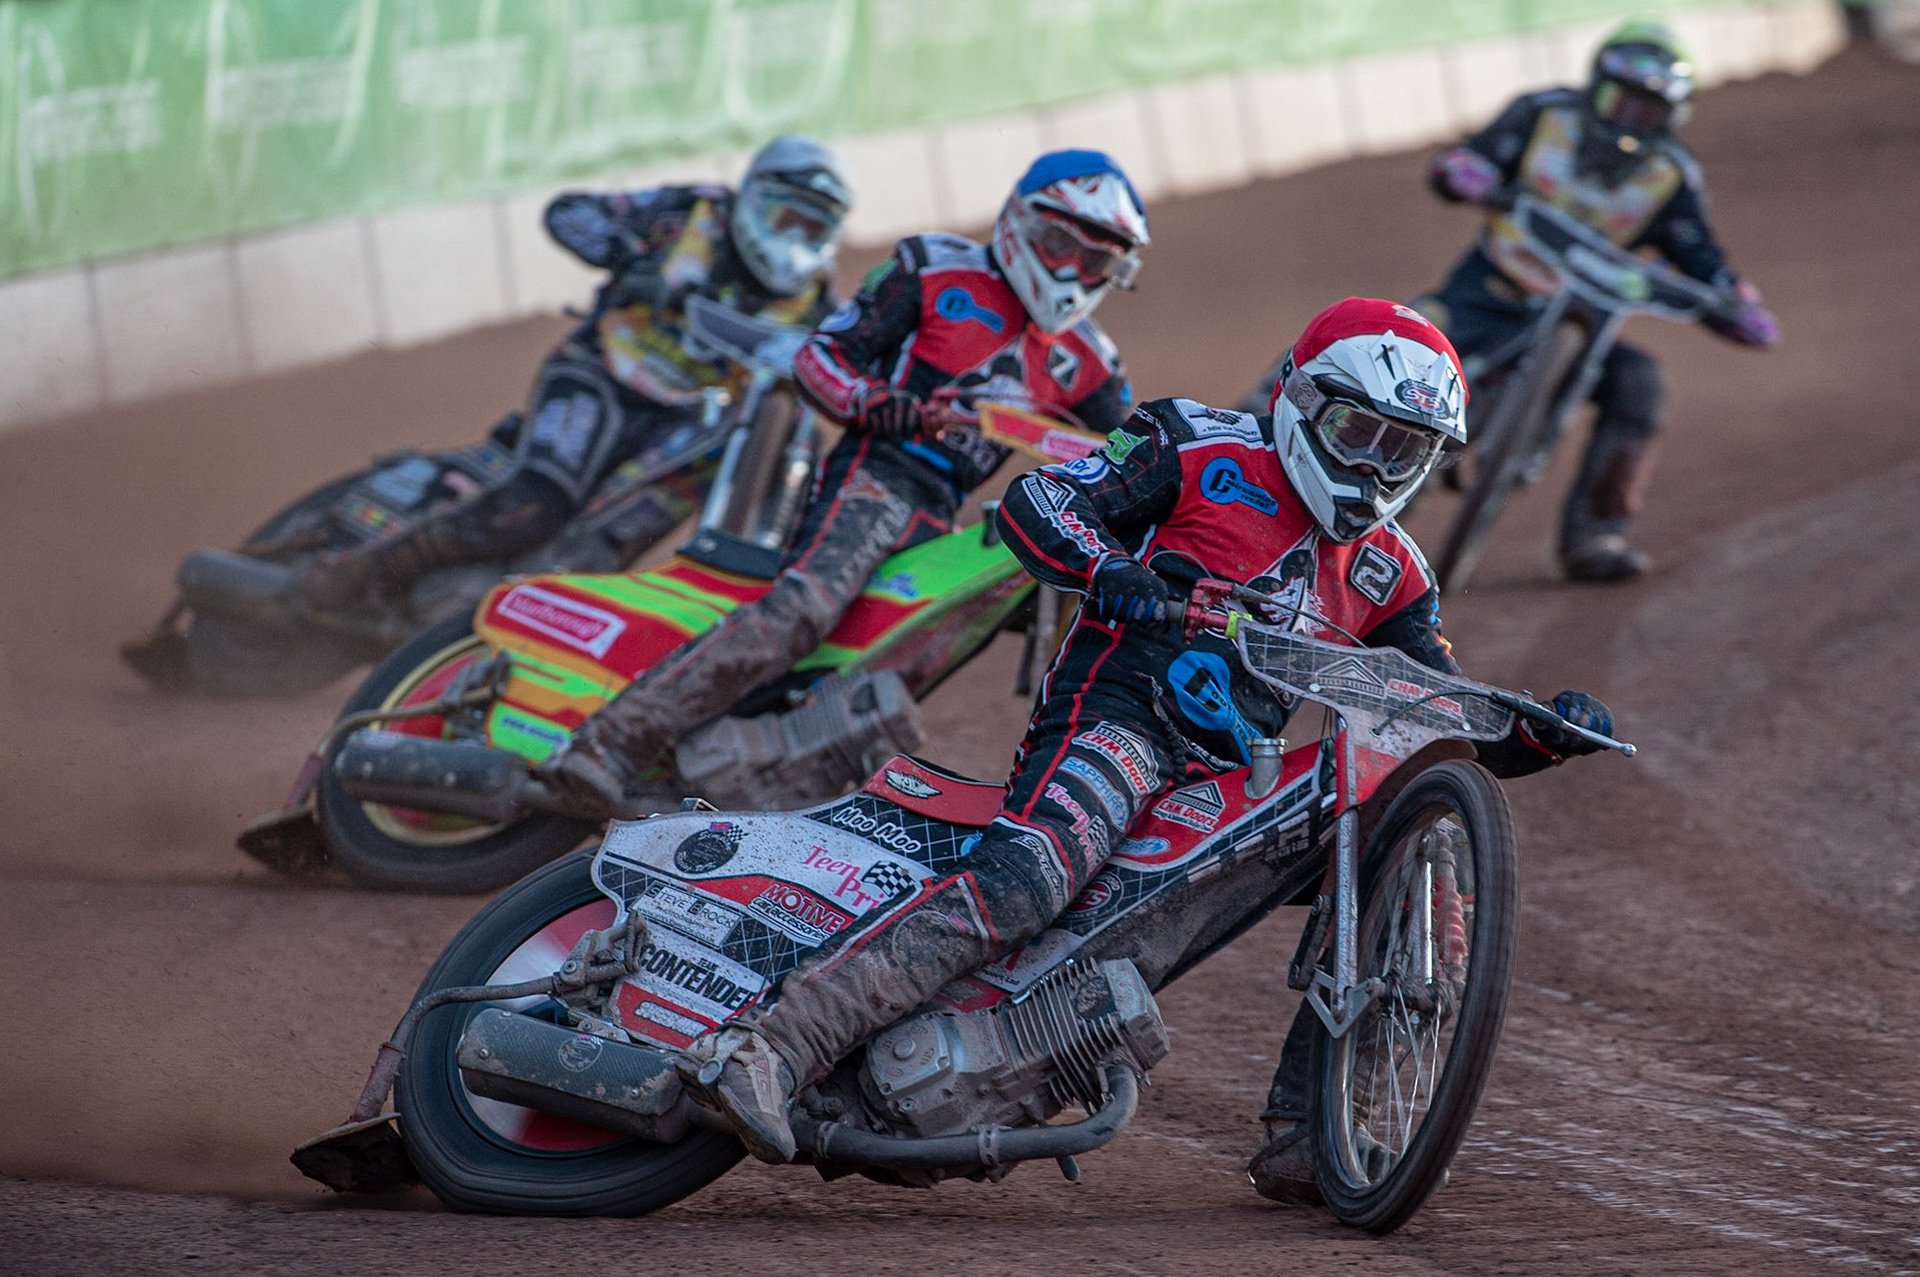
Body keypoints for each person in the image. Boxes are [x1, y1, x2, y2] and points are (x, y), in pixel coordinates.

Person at [681, 298, 1617, 1193]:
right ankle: (768, 1046)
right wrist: (1114, 568)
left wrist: (1529, 734)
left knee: (1399, 857)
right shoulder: (1195, 440)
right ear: (1300, 399)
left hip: (1226, 783)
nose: (1376, 466)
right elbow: (1040, 501)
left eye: (1404, 449)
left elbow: (1433, 699)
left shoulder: (1393, 570)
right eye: (1359, 434)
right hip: (1117, 721)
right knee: (1033, 876)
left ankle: (1310, 1130)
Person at [535, 148, 1150, 815]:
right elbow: (822, 354)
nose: (1070, 270)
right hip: (879, 472)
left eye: (1097, 261)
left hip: (947, 516)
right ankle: (610, 740)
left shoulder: (1090, 359)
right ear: (1021, 220)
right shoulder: (933, 267)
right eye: (1060, 243)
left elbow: (1131, 459)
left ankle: (709, 776)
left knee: (874, 672)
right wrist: (883, 405)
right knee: (805, 611)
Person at [1243, 21, 1780, 582]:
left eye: (1648, 112)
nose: (1629, 122)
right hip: (1486, 295)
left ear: (1675, 117)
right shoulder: (1544, 115)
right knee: (1382, 339)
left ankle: (1597, 534)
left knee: (1640, 385)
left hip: (1585, 325)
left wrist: (1737, 301)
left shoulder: (1673, 176)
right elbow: (1467, 160)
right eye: (1620, 102)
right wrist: (1467, 173)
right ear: (1594, 87)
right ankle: (1258, 424)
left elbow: (1703, 257)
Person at [296, 135, 852, 610]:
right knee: (534, 503)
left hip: (689, 421)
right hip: (601, 376)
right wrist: (631, 262)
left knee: (615, 537)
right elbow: (570, 212)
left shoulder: (816, 309)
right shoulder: (693, 212)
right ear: (755, 197)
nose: (799, 240)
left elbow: (842, 364)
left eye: (816, 229)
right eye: (789, 218)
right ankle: (352, 572)